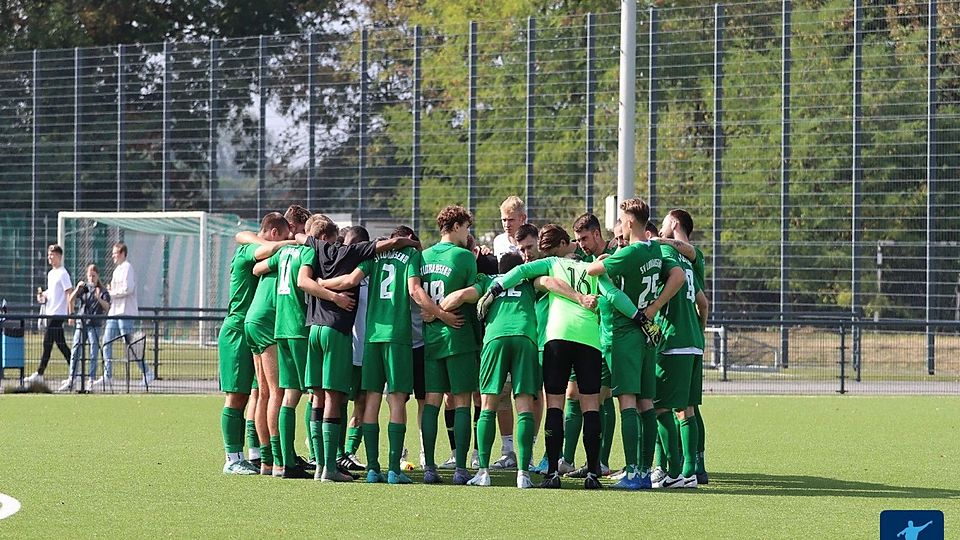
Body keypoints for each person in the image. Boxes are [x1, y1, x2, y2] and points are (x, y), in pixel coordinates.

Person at [480, 224, 654, 489]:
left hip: (558, 339)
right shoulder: (591, 268)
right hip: (589, 341)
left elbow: (520, 271)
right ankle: (593, 474)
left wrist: (495, 288)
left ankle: (552, 472)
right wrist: (640, 317)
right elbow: (614, 295)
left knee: (555, 406)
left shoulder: (551, 264)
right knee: (591, 407)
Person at [297, 216, 422, 482]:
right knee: (392, 400)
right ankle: (391, 470)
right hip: (390, 336)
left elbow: (349, 279)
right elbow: (413, 289)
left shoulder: (323, 251)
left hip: (361, 337)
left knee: (350, 398)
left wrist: (320, 284)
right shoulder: (408, 255)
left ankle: (368, 468)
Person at [586, 198, 674, 490]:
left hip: (625, 334)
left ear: (631, 222)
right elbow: (676, 278)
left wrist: (599, 263)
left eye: (622, 220)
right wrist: (655, 307)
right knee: (646, 402)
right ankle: (646, 471)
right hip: (648, 332)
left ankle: (634, 471)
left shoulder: (631, 252)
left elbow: (593, 272)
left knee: (627, 401)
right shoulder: (656, 251)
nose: (619, 225)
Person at [218, 213, 293, 475]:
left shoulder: (256, 247)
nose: (287, 241)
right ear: (274, 233)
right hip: (237, 330)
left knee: (257, 393)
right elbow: (259, 246)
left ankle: (253, 454)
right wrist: (291, 245)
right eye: (284, 236)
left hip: (252, 331)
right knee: (236, 396)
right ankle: (232, 458)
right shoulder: (249, 249)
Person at [419, 205, 481, 485]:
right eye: (466, 226)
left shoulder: (424, 257)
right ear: (456, 226)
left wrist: (432, 311)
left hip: (431, 339)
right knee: (462, 403)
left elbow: (417, 296)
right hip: (459, 337)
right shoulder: (465, 257)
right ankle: (460, 469)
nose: (468, 232)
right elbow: (473, 296)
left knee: (431, 402)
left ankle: (429, 467)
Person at [659, 209, 710, 487]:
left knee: (671, 407)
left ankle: (682, 470)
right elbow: (703, 303)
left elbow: (683, 248)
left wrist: (654, 241)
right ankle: (696, 467)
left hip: (676, 338)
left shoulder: (677, 255)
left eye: (666, 221)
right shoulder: (690, 261)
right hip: (693, 341)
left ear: (674, 223)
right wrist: (699, 332)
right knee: (689, 407)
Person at [95, 242, 147, 389]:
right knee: (106, 341)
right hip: (114, 311)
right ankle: (107, 375)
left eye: (116, 253)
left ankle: (147, 372)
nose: (113, 256)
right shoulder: (117, 270)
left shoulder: (128, 268)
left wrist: (112, 292)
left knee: (130, 344)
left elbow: (128, 289)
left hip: (125, 312)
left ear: (123, 253)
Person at [25, 244, 73, 385]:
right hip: (50, 312)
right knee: (61, 345)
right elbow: (52, 292)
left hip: (58, 314)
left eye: (52, 255)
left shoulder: (63, 273)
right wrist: (43, 295)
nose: (49, 257)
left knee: (48, 343)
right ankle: (75, 371)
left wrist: (71, 314)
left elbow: (69, 293)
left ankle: (40, 373)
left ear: (58, 256)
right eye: (48, 255)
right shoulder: (51, 273)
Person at [60, 264, 111, 392]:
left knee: (93, 352)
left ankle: (91, 380)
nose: (92, 278)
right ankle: (72, 379)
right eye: (90, 275)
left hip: (94, 325)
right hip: (82, 324)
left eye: (94, 275)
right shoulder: (84, 289)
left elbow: (107, 307)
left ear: (97, 275)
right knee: (76, 349)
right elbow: (70, 300)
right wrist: (77, 289)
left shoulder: (103, 290)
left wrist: (98, 298)